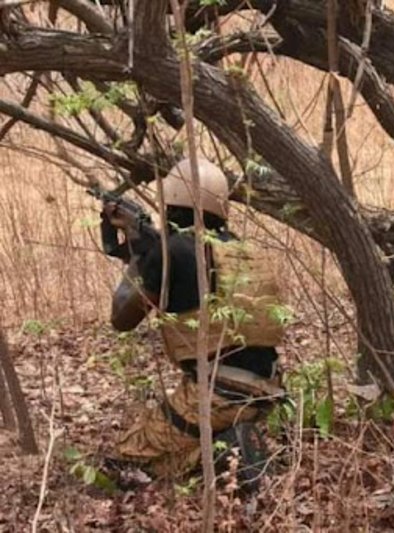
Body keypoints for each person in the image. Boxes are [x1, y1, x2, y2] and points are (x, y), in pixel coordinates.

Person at [103, 157, 286, 486]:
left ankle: (230, 455)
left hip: (217, 392)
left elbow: (121, 319)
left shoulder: (170, 252)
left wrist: (139, 254)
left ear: (171, 202)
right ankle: (233, 441)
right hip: (268, 388)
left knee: (125, 463)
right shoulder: (241, 251)